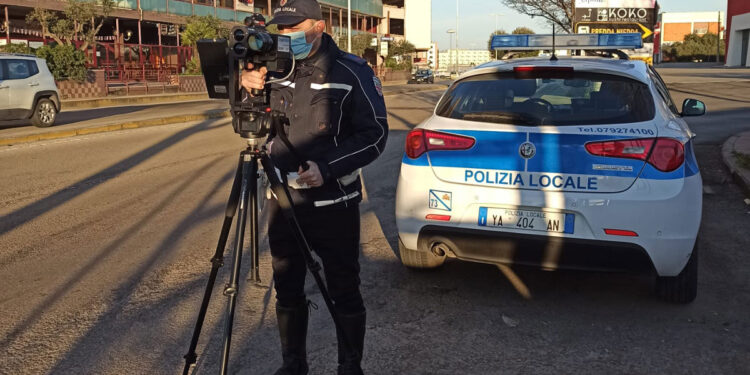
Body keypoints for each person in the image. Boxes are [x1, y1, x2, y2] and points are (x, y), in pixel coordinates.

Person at [239, 1, 388, 374]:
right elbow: (249, 127)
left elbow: (375, 136)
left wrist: (328, 168)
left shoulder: (352, 71)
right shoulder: (271, 69)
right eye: (282, 29)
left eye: (295, 27)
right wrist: (248, 92)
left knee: (343, 288)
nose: (286, 36)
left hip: (334, 202)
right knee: (287, 287)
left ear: (319, 27)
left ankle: (350, 367)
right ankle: (294, 365)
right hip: (284, 201)